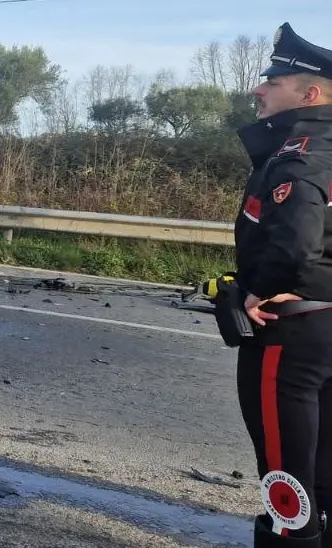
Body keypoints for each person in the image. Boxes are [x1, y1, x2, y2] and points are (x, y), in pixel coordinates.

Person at [230, 22, 332, 548]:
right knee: (322, 469)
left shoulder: (303, 152)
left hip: (290, 332)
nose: (260, 88)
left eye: (275, 80)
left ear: (309, 94)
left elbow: (295, 241)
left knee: (287, 482)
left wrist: (260, 289)